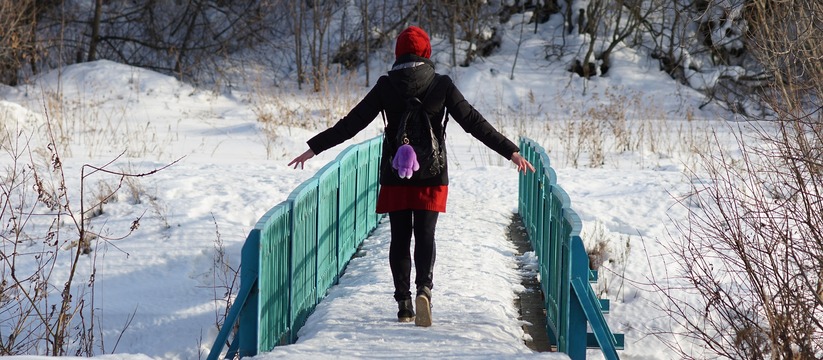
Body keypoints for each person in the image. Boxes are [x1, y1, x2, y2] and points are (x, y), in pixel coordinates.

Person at [288, 25, 535, 327]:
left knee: (400, 238)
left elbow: (351, 124)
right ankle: (425, 291)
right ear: (426, 52)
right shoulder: (441, 84)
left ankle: (404, 302)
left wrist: (314, 148)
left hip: (396, 174)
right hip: (432, 174)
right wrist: (510, 151)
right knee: (426, 235)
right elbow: (473, 121)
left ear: (398, 53)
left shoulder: (385, 86)